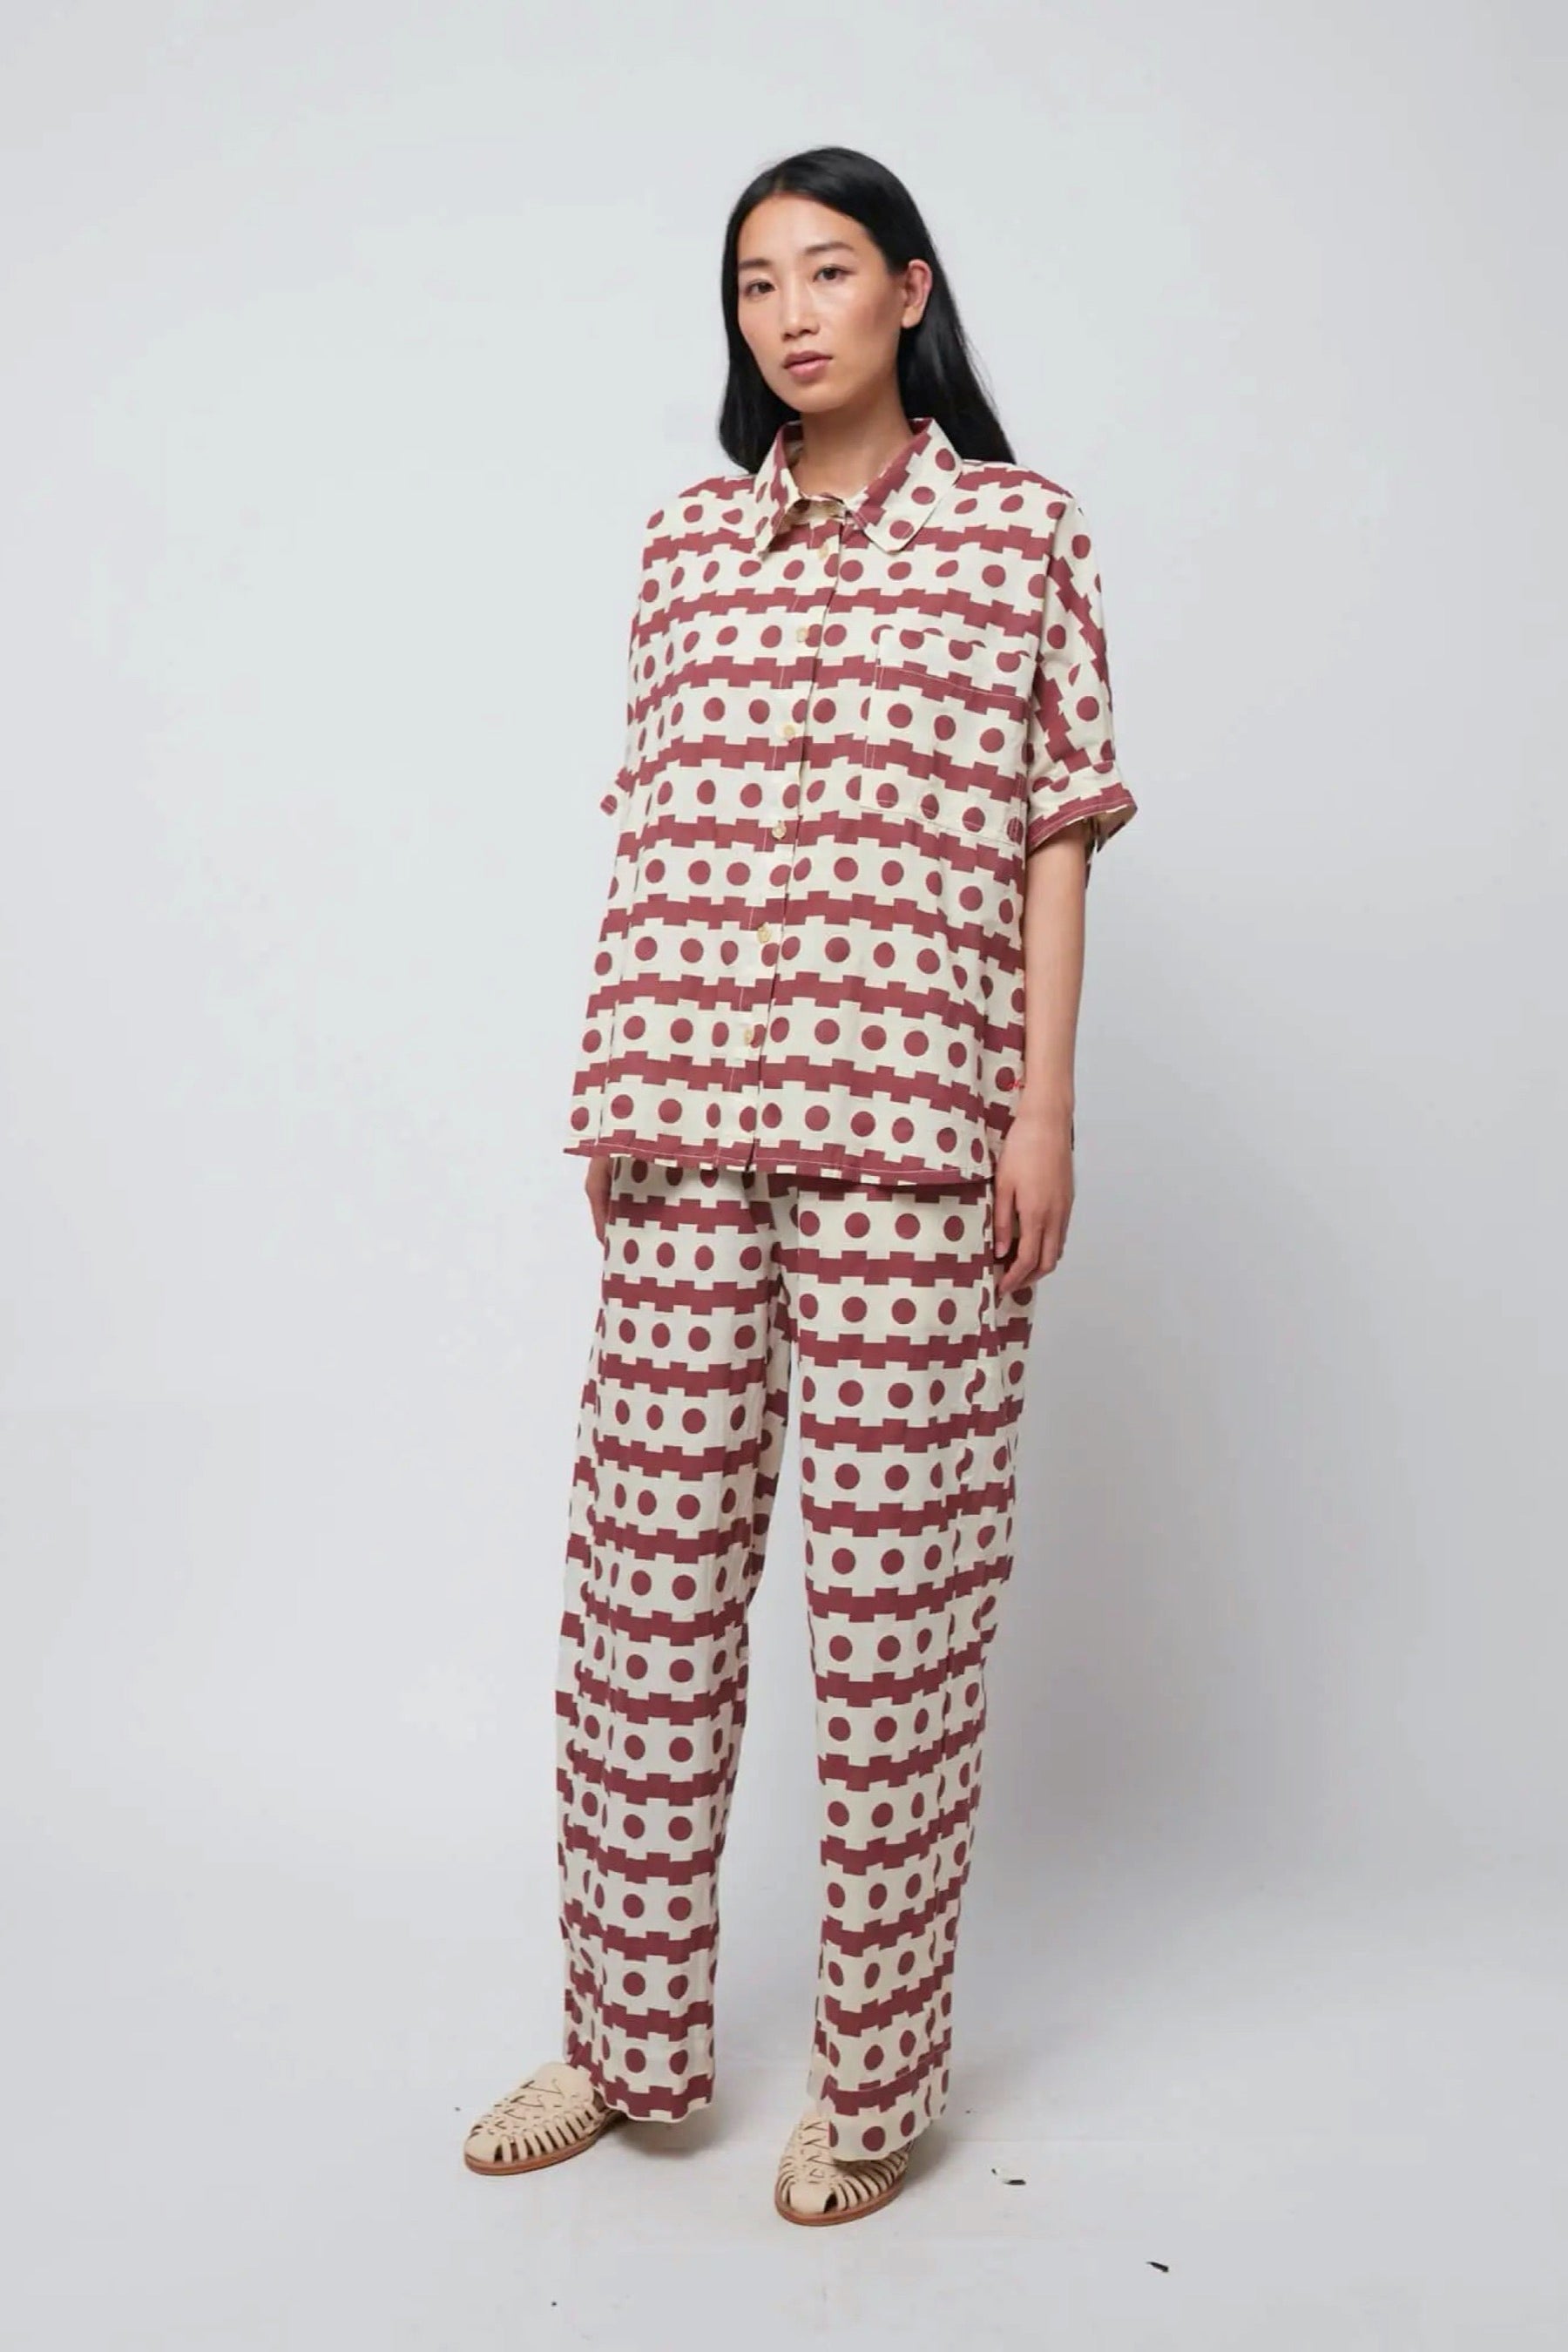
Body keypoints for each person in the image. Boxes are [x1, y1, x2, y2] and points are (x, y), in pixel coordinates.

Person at [463, 144, 1138, 2226]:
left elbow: (1056, 830)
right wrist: (614, 1088)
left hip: (919, 1144)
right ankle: (623, 2043)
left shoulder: (1021, 534)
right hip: (680, 1127)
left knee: (896, 1623)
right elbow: (655, 821)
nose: (788, 313)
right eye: (755, 282)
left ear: (910, 291)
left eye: (827, 271)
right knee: (643, 1603)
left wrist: (1042, 1114)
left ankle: (880, 2080)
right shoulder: (686, 544)